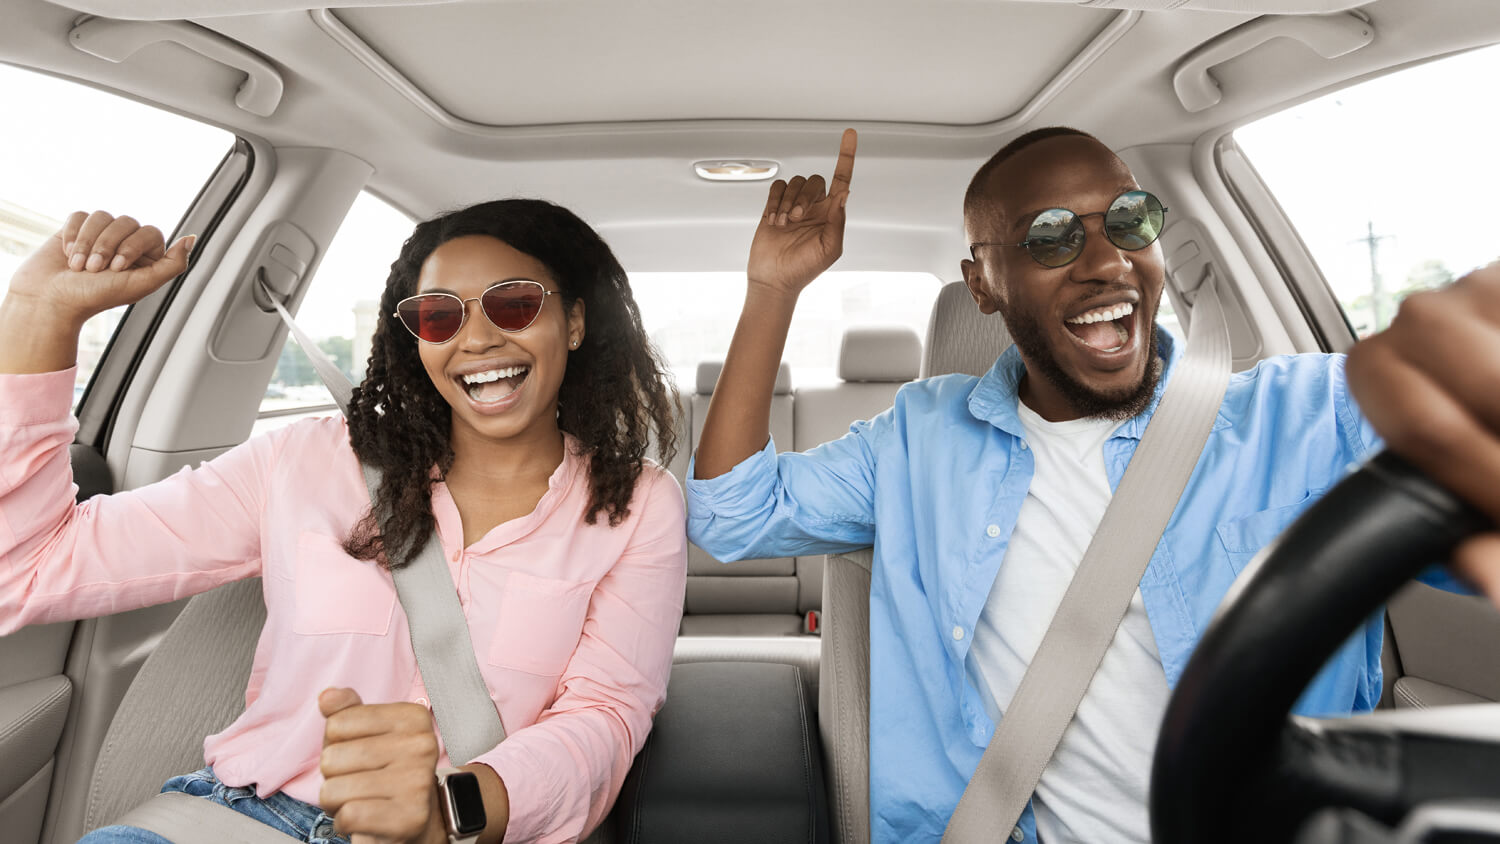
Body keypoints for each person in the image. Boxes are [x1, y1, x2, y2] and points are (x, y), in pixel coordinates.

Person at [687, 127, 1500, 843]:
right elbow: (731, 514)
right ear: (984, 286)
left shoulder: (1310, 413)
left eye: (1128, 221)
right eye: (1049, 237)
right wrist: (772, 293)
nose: (1106, 260)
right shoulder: (918, 439)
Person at [0, 199, 688, 843]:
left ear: (572, 322)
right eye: (440, 316)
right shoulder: (303, 461)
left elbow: (605, 716)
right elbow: (30, 566)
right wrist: (38, 316)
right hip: (247, 817)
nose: (476, 338)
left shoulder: (638, 503)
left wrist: (450, 809)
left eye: (513, 304)